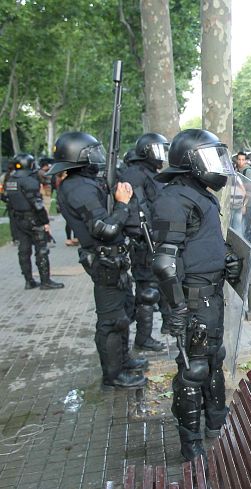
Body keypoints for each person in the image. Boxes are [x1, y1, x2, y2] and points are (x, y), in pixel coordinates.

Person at [150, 129, 241, 461]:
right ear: (190, 162)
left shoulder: (198, 193)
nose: (217, 164)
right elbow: (165, 261)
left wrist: (227, 257)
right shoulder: (173, 198)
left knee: (214, 359)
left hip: (211, 296)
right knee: (194, 369)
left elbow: (203, 242)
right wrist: (176, 307)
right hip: (193, 299)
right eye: (210, 156)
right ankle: (191, 444)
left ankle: (216, 423)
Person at [47, 132, 146, 389]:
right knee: (112, 320)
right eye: (93, 152)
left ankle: (124, 360)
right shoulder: (78, 188)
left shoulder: (86, 182)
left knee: (124, 312)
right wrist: (123, 205)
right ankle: (113, 375)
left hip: (115, 260)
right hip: (105, 262)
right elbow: (105, 229)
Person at [119, 133, 169, 352]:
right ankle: (143, 338)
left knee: (158, 288)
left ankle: (163, 327)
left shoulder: (145, 173)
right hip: (145, 244)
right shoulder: (136, 175)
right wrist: (150, 236)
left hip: (152, 241)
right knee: (148, 292)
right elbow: (137, 213)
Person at [5, 153, 64, 290]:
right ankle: (45, 281)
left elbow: (7, 199)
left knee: (23, 250)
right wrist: (45, 221)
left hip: (18, 219)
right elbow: (37, 204)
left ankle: (28, 280)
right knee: (41, 250)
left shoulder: (11, 181)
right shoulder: (29, 181)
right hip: (33, 220)